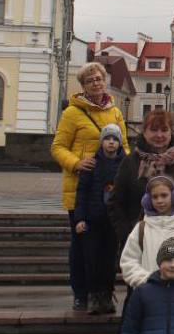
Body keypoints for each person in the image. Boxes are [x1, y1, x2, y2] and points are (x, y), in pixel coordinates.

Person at [51, 61, 129, 310]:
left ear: (105, 80)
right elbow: (58, 147)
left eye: (99, 78)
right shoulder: (72, 113)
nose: (96, 83)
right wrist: (76, 163)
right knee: (81, 243)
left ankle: (103, 292)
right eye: (90, 80)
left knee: (107, 244)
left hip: (109, 191)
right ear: (83, 85)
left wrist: (122, 167)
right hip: (81, 189)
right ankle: (80, 291)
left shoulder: (115, 112)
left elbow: (125, 145)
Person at [108, 110, 174, 255]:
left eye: (164, 130)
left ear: (171, 132)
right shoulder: (130, 162)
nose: (159, 135)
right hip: (139, 239)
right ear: (144, 132)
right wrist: (127, 233)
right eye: (153, 130)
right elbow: (116, 201)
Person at [73, 123, 126, 314]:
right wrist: (80, 218)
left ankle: (107, 295)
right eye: (107, 139)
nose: (111, 143)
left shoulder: (124, 165)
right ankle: (93, 295)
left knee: (110, 261)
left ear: (120, 143)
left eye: (115, 139)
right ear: (102, 141)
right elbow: (81, 193)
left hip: (113, 222)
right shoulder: (91, 164)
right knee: (92, 259)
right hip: (93, 220)